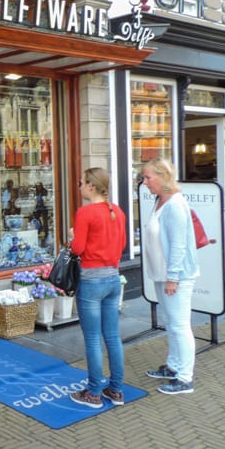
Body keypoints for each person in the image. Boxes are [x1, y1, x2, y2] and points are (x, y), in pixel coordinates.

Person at [67, 168, 127, 409]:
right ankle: (116, 389)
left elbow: (78, 248)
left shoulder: (85, 212)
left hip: (91, 279)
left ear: (91, 186)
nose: (79, 186)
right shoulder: (117, 211)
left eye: (81, 182)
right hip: (113, 278)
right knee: (112, 337)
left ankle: (93, 393)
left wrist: (72, 237)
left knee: (92, 339)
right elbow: (122, 244)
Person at [141, 157, 199, 394]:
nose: (144, 182)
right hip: (161, 274)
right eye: (143, 177)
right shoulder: (160, 200)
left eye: (148, 177)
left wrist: (173, 277)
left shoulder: (175, 204)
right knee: (172, 324)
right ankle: (174, 366)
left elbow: (178, 245)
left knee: (180, 325)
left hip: (176, 276)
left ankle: (185, 378)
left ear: (163, 176)